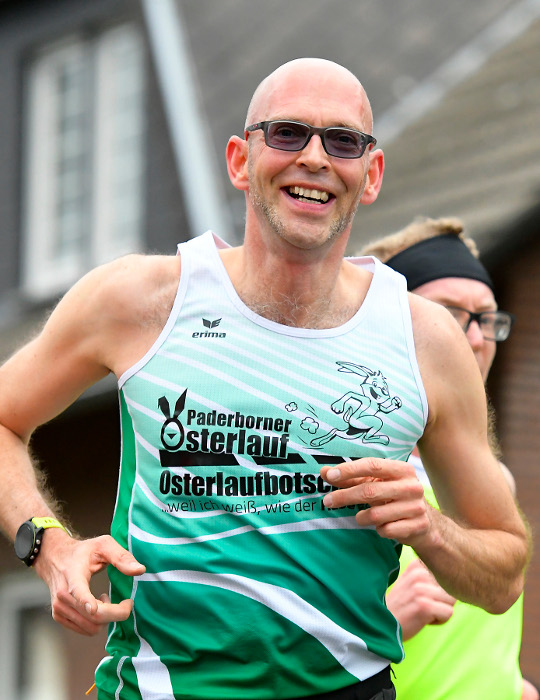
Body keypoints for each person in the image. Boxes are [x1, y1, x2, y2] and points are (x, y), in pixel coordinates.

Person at [0, 58, 530, 700]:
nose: (314, 157)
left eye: (342, 142)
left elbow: (503, 576)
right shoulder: (140, 301)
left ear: (371, 175)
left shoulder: (426, 339)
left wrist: (429, 526)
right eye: (286, 133)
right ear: (240, 160)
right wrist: (47, 548)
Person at [361, 216, 538, 700]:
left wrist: (511, 682)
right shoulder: (345, 471)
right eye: (449, 313)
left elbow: (482, 626)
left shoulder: (492, 476)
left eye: (486, 317)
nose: (476, 339)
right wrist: (387, 622)